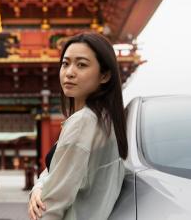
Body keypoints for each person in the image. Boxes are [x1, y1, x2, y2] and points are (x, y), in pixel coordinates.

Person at [28, 32, 128, 220]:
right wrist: (39, 186)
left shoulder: (83, 122)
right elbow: (56, 171)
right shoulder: (107, 119)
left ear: (105, 75)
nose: (69, 72)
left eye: (81, 65)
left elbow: (51, 205)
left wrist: (41, 190)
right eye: (65, 64)